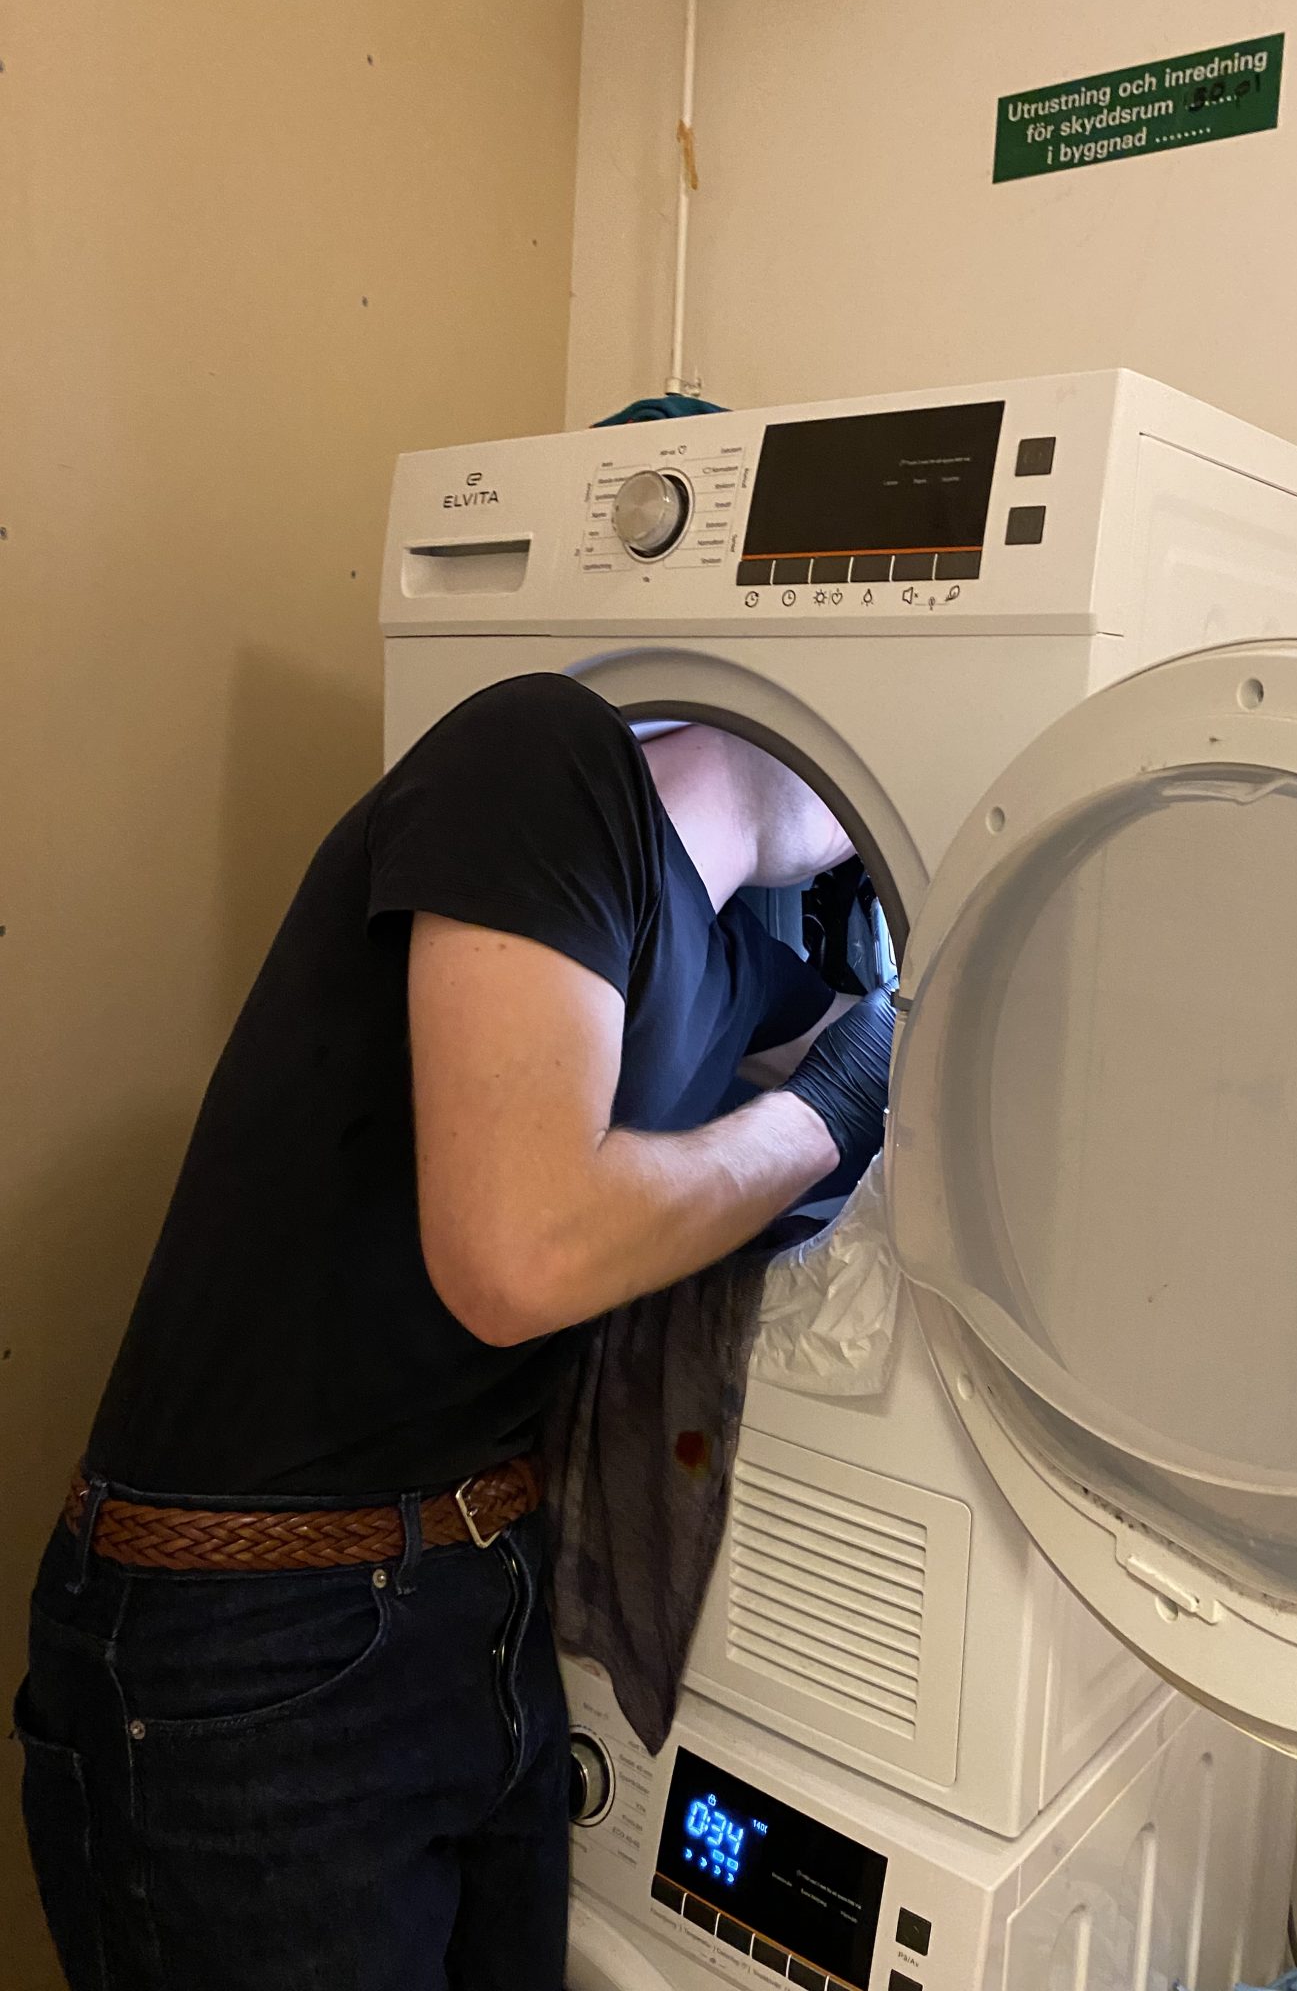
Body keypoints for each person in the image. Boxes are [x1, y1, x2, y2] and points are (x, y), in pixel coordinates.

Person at [14, 672, 894, 1991]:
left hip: (477, 1602)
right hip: (252, 1639)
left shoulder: (726, 964)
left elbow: (876, 1058)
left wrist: (891, 1044)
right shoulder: (544, 762)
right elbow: (518, 1256)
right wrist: (825, 1112)